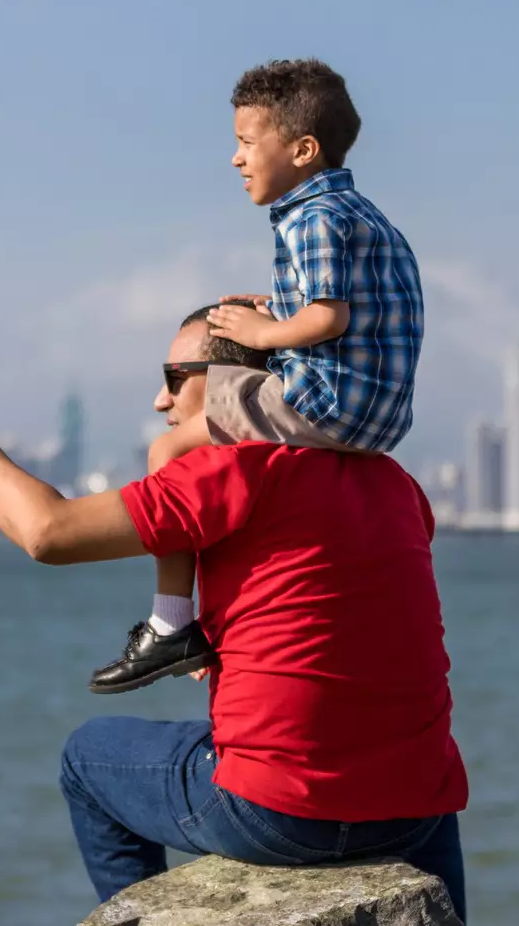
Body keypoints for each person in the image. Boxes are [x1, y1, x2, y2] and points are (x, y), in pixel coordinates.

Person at [0, 305, 468, 922]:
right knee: (414, 768)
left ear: (234, 384)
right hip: (416, 816)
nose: (161, 401)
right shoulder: (393, 482)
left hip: (279, 814)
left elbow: (48, 532)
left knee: (88, 756)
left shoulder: (233, 467)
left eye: (175, 376)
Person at [97, 58, 426, 695]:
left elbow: (331, 317)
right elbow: (357, 318)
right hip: (379, 417)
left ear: (303, 150)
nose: (236, 159)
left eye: (247, 142)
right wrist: (276, 315)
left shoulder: (311, 219)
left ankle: (171, 625)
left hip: (326, 403)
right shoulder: (370, 218)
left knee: (169, 445)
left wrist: (260, 335)